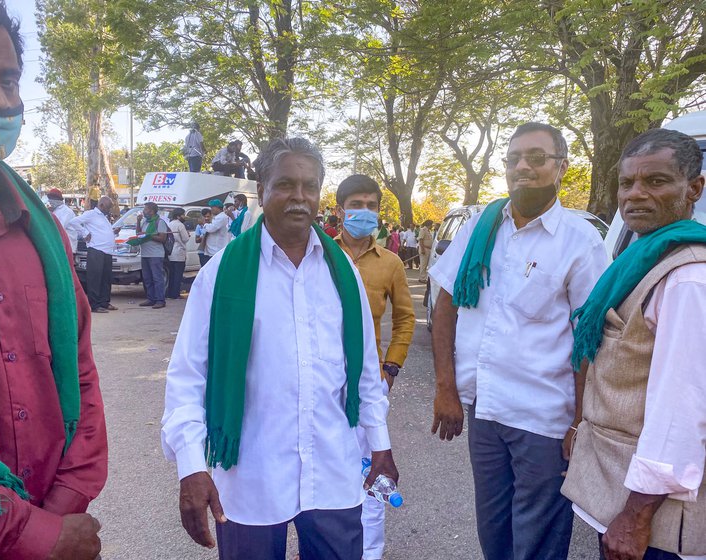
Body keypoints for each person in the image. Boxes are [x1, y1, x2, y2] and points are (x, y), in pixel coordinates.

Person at [161, 137, 397, 560]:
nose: (299, 197)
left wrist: (380, 444)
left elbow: (363, 370)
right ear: (263, 188)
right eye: (286, 184)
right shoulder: (222, 273)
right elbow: (188, 376)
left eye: (310, 186)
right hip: (251, 474)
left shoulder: (343, 274)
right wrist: (192, 466)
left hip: (333, 469)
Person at [0, 2, 107, 557]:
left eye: (8, 78)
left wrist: (63, 506)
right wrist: (32, 534)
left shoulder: (43, 234)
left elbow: (82, 374)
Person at [429, 122, 607, 560]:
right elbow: (444, 308)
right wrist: (445, 388)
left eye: (536, 158)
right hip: (485, 409)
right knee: (494, 533)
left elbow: (590, 340)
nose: (522, 167)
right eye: (513, 159)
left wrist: (580, 424)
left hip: (544, 417)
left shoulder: (580, 241)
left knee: (538, 540)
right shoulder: (481, 227)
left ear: (561, 167)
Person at [562, 128, 706, 560]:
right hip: (618, 484)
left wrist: (636, 517)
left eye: (656, 181)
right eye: (627, 183)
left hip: (652, 514)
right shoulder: (641, 258)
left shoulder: (687, 277)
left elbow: (681, 412)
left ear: (694, 188)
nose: (636, 195)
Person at [334, 174, 415, 560]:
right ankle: (325, 544)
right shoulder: (319, 254)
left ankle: (368, 551)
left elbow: (405, 319)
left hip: (370, 384)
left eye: (371, 206)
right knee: (325, 465)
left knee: (373, 470)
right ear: (340, 210)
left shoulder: (391, 264)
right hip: (321, 381)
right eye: (357, 205)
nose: (364, 213)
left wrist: (392, 367)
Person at [70, 196, 120, 313]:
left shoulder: (103, 217)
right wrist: (85, 233)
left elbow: (101, 232)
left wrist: (113, 233)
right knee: (95, 279)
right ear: (101, 205)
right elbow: (73, 222)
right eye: (108, 207)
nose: (109, 210)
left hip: (107, 251)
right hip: (96, 250)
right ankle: (95, 305)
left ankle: (104, 302)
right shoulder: (91, 214)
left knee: (106, 279)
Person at [133, 201, 169, 308]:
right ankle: (150, 298)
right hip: (145, 254)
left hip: (156, 254)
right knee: (147, 278)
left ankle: (160, 300)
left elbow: (163, 238)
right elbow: (138, 234)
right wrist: (138, 222)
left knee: (157, 278)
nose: (144, 212)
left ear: (152, 211)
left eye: (145, 209)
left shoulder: (160, 222)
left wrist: (148, 235)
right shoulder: (145, 222)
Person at [167, 207, 190, 299]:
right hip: (179, 252)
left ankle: (170, 293)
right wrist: (187, 234)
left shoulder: (169, 224)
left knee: (171, 275)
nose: (184, 217)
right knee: (178, 275)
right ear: (178, 216)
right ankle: (175, 294)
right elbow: (185, 239)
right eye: (183, 215)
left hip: (170, 252)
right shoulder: (180, 225)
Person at [47, 187, 78, 253]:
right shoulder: (55, 211)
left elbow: (59, 227)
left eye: (51, 199)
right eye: (49, 199)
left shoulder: (66, 211)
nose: (49, 201)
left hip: (68, 247)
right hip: (60, 246)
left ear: (58, 200)